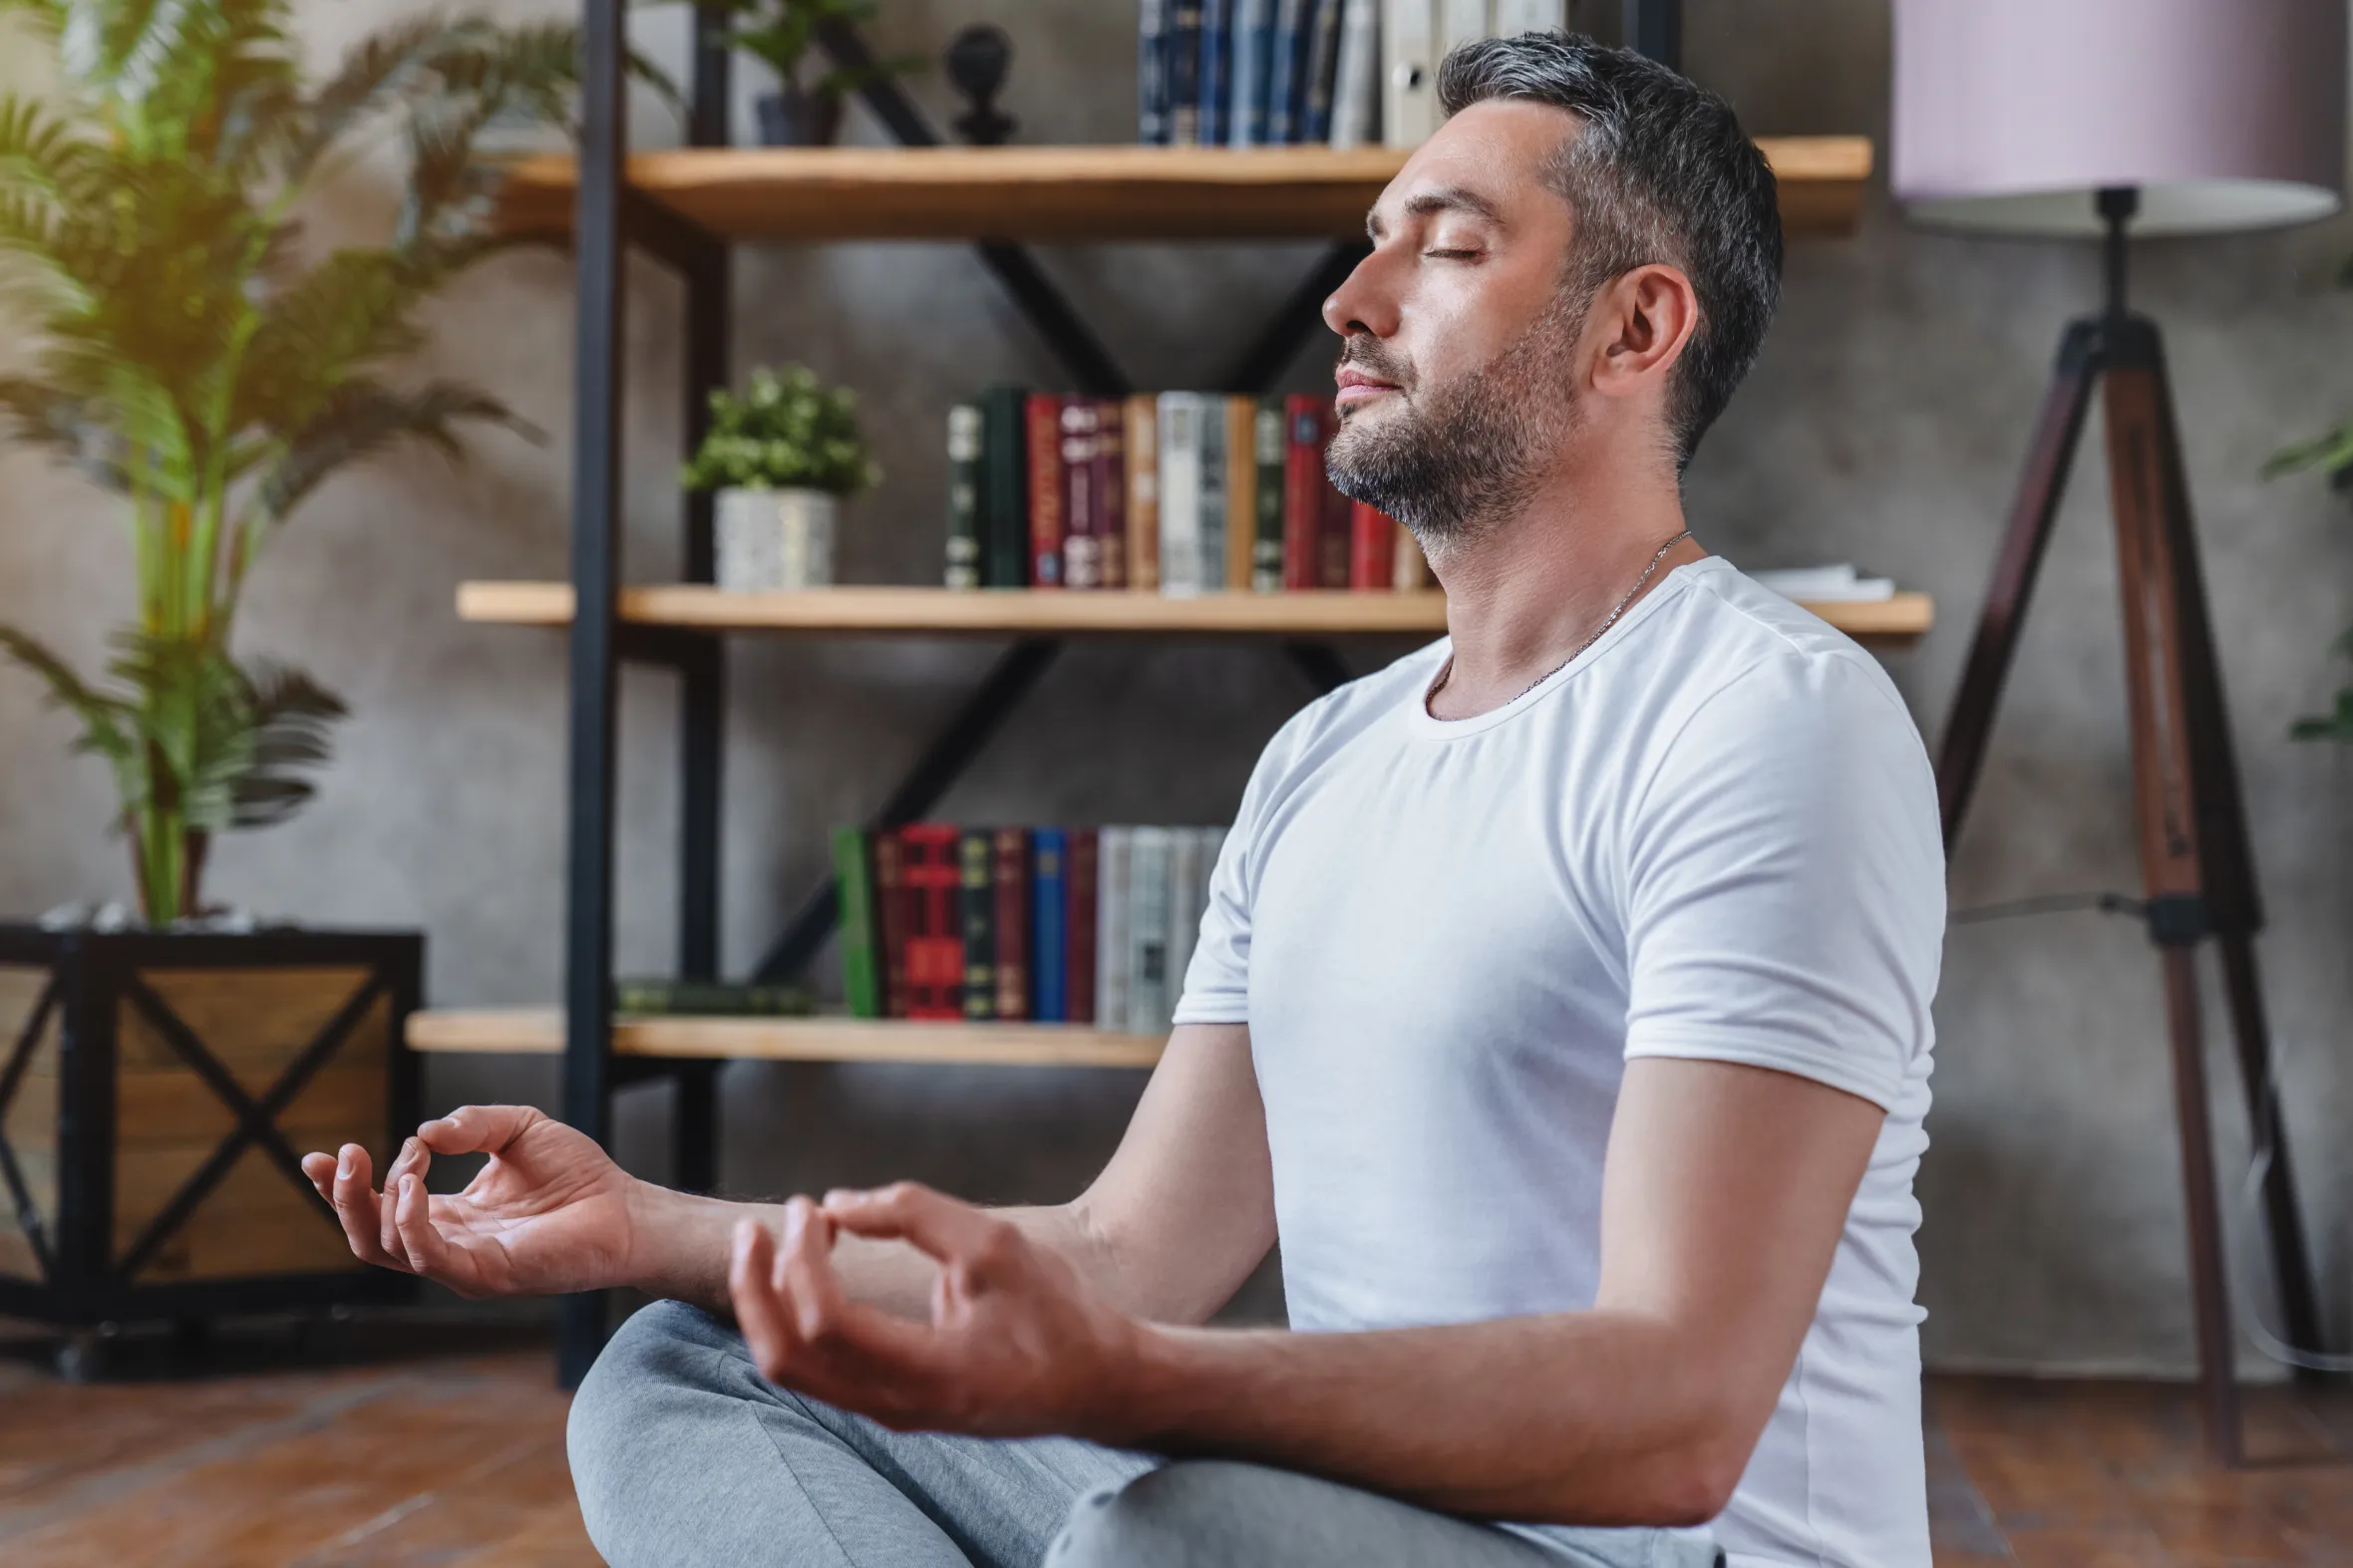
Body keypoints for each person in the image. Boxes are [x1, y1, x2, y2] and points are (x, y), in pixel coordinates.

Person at [304, 32, 1942, 1568]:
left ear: (1635, 329)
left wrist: (1129, 1386)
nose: (1351, 301)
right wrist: (644, 1223)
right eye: (1371, 241)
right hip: (1354, 1520)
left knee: (1174, 1532)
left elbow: (1677, 1415)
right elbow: (1125, 1255)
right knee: (688, 1364)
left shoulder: (1762, 722)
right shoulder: (1330, 759)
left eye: (1441, 248)